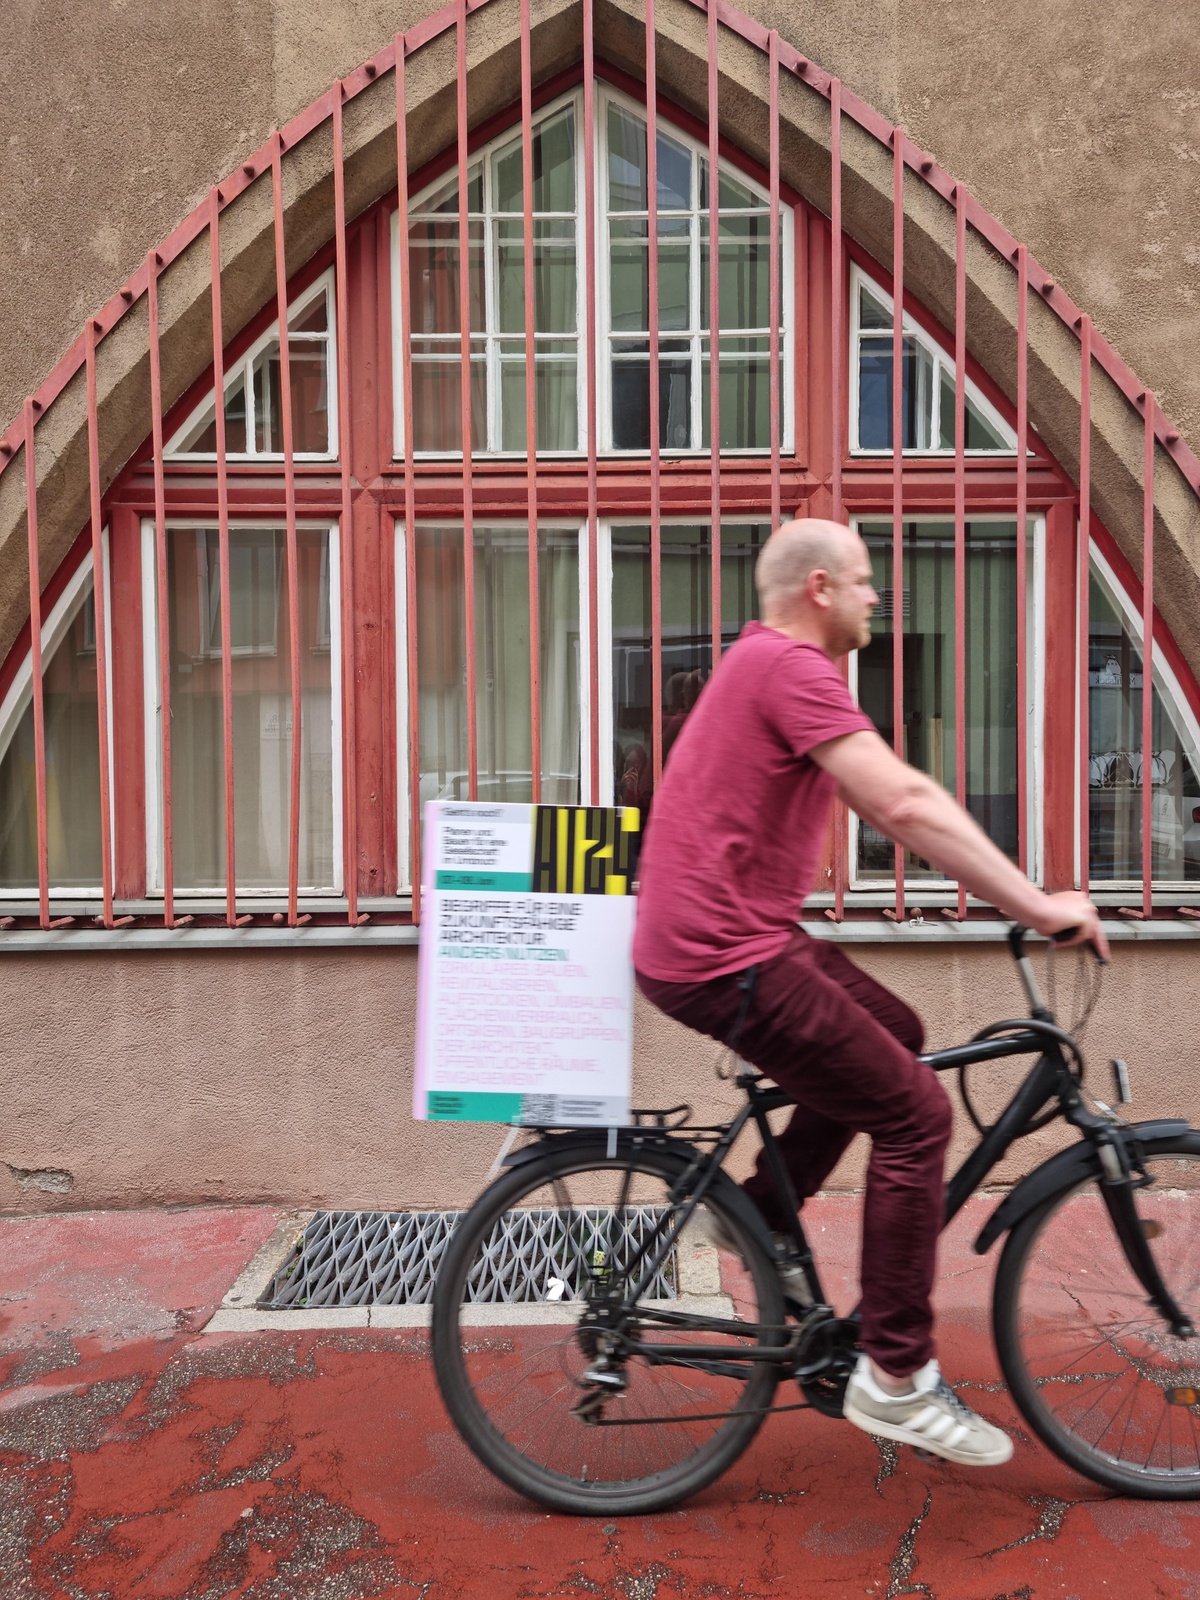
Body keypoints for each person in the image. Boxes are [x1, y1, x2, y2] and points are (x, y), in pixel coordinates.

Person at [633, 517, 1107, 1468]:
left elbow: (885, 795)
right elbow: (903, 802)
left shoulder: (768, 667)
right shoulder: (790, 667)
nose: (876, 597)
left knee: (897, 1028)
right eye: (862, 581)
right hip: (723, 953)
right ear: (818, 588)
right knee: (917, 1116)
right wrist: (1040, 904)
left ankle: (761, 1218)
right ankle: (896, 1378)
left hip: (728, 939)